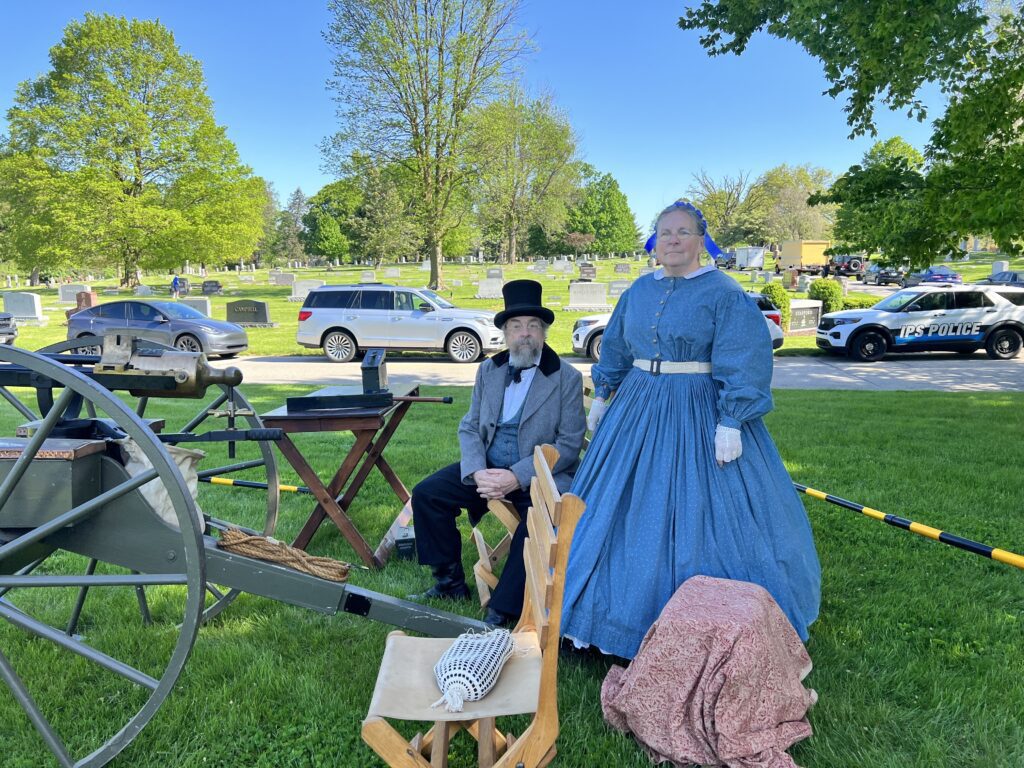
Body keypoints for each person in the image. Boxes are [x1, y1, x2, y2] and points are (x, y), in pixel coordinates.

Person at [561, 200, 821, 660]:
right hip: (637, 406)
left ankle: (707, 628)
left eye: (683, 232)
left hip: (699, 407)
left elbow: (745, 355)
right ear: (655, 242)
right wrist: (602, 395)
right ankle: (605, 619)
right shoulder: (638, 292)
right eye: (665, 233)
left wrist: (732, 419)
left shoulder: (724, 293)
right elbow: (617, 346)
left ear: (701, 241)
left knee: (703, 509)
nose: (674, 240)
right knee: (620, 506)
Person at [411, 279, 586, 627]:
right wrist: (477, 472)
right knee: (427, 494)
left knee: (539, 519)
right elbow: (470, 426)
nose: (525, 334)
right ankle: (449, 583)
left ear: (544, 333)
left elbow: (568, 444)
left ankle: (503, 609)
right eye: (517, 326)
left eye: (533, 327)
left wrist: (516, 476)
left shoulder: (566, 377)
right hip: (488, 467)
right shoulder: (488, 370)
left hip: (540, 473)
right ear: (505, 332)